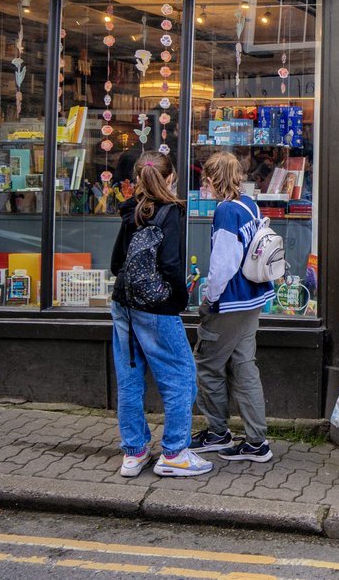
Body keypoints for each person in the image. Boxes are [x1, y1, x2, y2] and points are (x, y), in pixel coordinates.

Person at [109, 152, 211, 478]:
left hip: (122, 303)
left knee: (129, 380)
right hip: (155, 307)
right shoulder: (170, 213)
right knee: (181, 375)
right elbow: (170, 266)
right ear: (169, 179)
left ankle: (134, 453)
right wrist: (179, 301)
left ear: (138, 180)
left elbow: (115, 264)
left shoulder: (130, 212)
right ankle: (175, 453)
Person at [188, 151, 277, 462]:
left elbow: (223, 264)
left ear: (214, 180)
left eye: (205, 180)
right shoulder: (248, 204)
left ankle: (217, 432)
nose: (204, 186)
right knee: (244, 365)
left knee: (208, 365)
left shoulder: (226, 211)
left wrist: (209, 299)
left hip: (231, 302)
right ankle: (256, 441)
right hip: (253, 298)